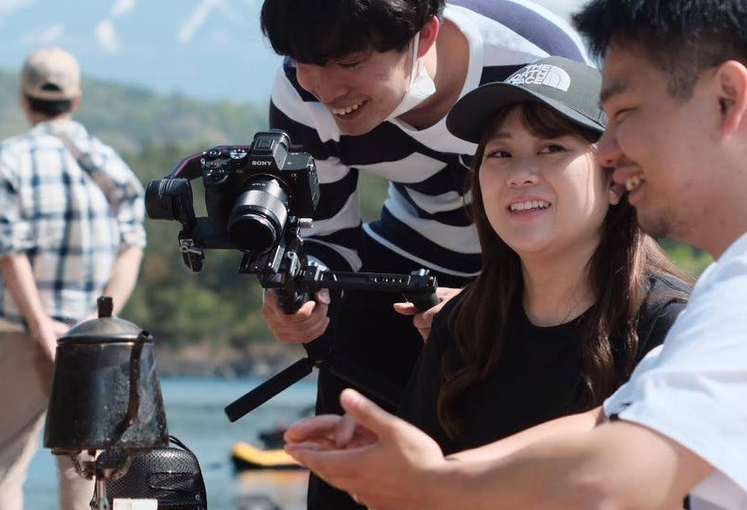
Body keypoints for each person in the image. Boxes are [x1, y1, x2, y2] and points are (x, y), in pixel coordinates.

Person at [282, 1, 747, 509]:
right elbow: (607, 422)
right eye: (498, 154)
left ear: (729, 98)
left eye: (626, 114)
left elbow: (616, 474)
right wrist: (412, 472)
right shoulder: (461, 326)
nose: (611, 149)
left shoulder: (695, 314)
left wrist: (429, 485)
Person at [257, 0, 589, 506]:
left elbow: (593, 217)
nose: (327, 91)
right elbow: (324, 238)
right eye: (308, 66)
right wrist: (305, 294)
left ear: (426, 35)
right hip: (413, 247)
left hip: (548, 266)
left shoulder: (536, 58)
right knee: (350, 454)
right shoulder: (301, 87)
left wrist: (484, 306)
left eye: (349, 64)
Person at [397, 56, 690, 455]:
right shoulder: (461, 326)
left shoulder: (673, 326)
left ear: (616, 180)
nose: (521, 174)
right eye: (500, 153)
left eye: (551, 147)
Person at [0, 46, 146, 510]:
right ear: (76, 99)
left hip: (24, 333)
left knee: (0, 464)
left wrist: (40, 326)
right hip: (97, 344)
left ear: (24, 99)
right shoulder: (109, 162)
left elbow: (9, 252)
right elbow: (134, 244)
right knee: (87, 470)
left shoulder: (11, 157)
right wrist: (96, 322)